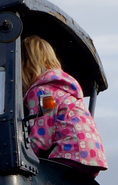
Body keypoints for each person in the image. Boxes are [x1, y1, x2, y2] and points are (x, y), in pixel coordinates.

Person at [22, 36, 107, 177]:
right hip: (92, 156)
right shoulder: (64, 90)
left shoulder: (40, 90)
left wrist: (22, 155)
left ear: (25, 65)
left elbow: (42, 138)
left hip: (68, 153)